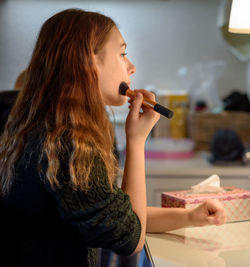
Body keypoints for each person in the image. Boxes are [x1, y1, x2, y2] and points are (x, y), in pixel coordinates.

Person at [0, 9, 226, 267]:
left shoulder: (42, 126)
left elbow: (117, 216)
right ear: (88, 62)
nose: (131, 67)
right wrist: (136, 140)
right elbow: (130, 238)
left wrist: (189, 217)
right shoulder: (68, 144)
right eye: (121, 53)